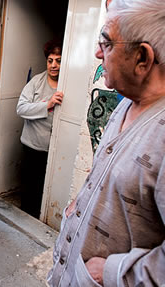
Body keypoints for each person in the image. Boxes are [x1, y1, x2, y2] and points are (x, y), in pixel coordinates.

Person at [48, 0, 165, 286]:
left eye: (107, 42)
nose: (98, 52)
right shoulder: (125, 106)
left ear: (142, 58)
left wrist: (113, 273)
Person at [16, 39, 64, 218]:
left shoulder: (68, 85)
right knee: (30, 189)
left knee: (49, 188)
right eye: (50, 60)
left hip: (54, 150)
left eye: (58, 61)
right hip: (32, 146)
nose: (54, 65)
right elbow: (21, 108)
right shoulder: (36, 82)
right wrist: (47, 105)